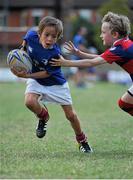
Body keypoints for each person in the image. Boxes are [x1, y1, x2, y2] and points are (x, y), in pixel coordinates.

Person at [11, 16, 92, 153]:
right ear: (39, 33)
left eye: (53, 36)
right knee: (29, 102)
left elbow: (47, 74)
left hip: (56, 84)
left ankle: (82, 140)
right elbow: (26, 38)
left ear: (58, 37)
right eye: (46, 35)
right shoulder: (31, 35)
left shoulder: (54, 53)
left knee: (71, 116)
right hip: (36, 80)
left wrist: (26, 75)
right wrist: (22, 49)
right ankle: (43, 117)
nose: (49, 39)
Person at [51, 12, 133, 116]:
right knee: (124, 103)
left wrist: (66, 63)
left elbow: (92, 63)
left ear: (115, 34)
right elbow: (100, 57)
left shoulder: (119, 49)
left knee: (124, 103)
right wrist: (79, 53)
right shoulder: (123, 43)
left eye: (103, 32)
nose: (101, 35)